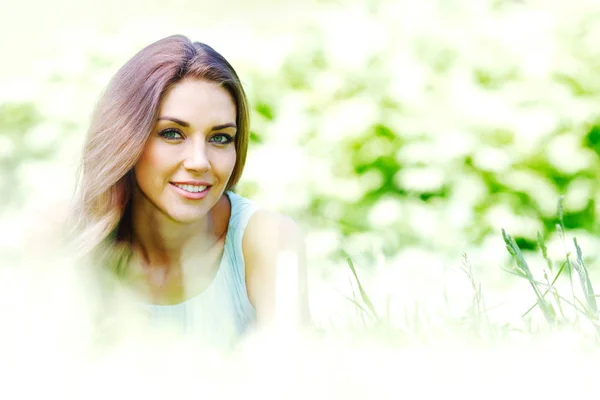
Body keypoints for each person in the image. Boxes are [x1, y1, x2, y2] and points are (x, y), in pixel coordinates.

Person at [66, 34, 311, 346]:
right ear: (125, 140)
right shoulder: (69, 239)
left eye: (220, 138)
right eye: (172, 133)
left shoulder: (268, 239)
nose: (199, 161)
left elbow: (297, 380)